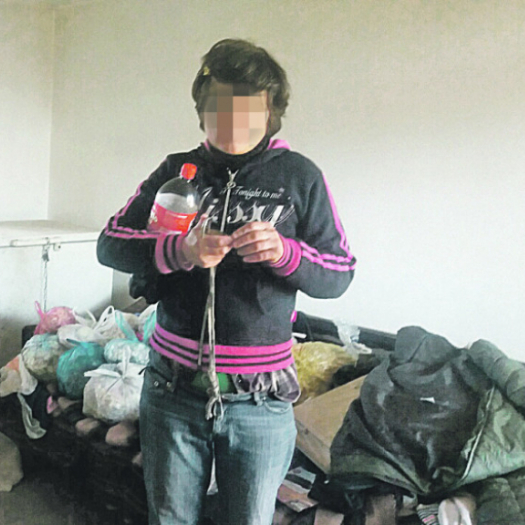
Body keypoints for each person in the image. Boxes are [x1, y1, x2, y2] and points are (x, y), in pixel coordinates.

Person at [96, 39, 356, 525]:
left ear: (270, 112)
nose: (233, 120)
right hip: (171, 389)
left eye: (248, 107)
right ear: (202, 109)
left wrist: (284, 253)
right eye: (221, 105)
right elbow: (110, 243)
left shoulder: (300, 177)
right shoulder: (176, 171)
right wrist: (180, 251)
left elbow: (339, 272)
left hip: (260, 400)